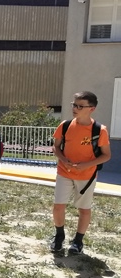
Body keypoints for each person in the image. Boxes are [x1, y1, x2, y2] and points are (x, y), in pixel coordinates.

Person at [49, 91, 111, 255]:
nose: (75, 108)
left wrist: (86, 165)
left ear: (92, 109)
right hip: (64, 172)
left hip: (86, 176)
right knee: (58, 206)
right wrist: (63, 159)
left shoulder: (99, 130)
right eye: (74, 105)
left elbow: (106, 155)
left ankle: (78, 241)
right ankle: (59, 236)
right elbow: (56, 147)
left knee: (84, 209)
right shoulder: (65, 125)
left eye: (80, 106)